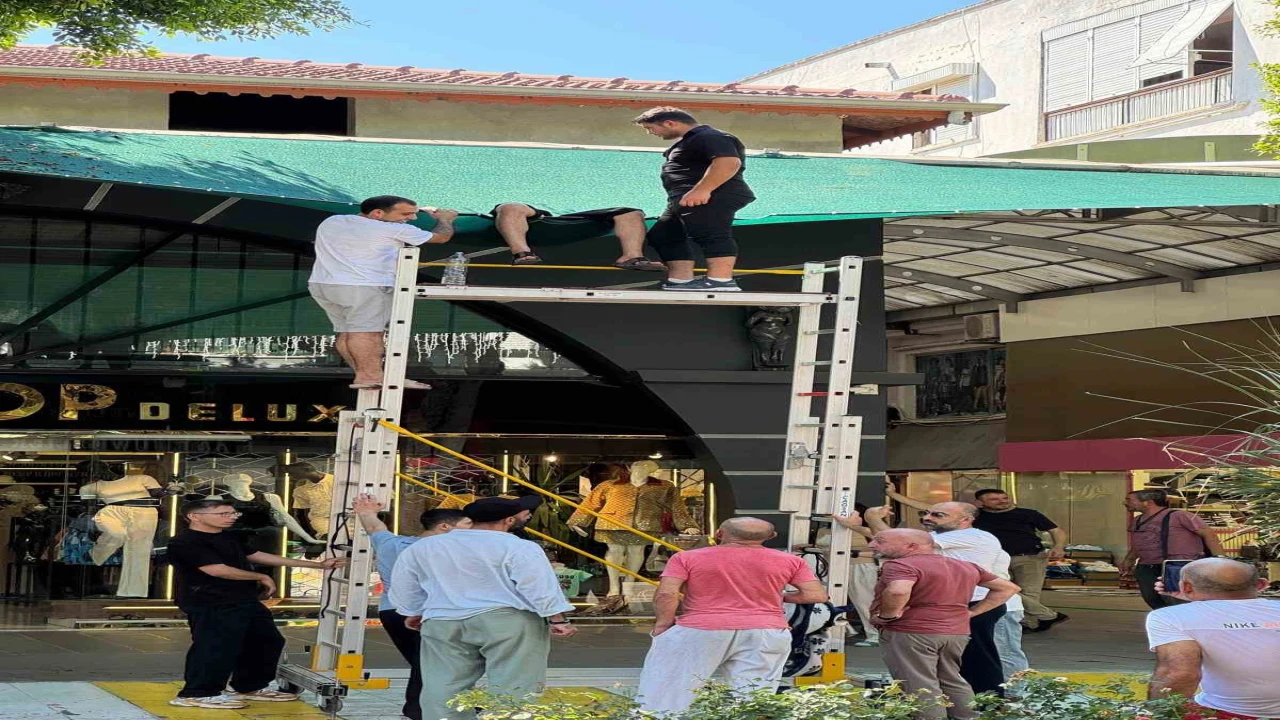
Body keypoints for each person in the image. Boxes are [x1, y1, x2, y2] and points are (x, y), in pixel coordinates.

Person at [389, 496, 577, 720]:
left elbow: (404, 583)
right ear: (509, 520)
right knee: (515, 685)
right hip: (508, 621)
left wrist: (414, 611)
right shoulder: (519, 546)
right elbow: (537, 586)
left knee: (443, 684)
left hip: (442, 620)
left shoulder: (425, 546)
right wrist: (558, 619)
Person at [166, 498, 346, 710]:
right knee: (215, 646)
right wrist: (260, 577)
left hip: (242, 598)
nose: (231, 517)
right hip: (209, 600)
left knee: (267, 640)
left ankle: (247, 686)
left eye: (233, 513)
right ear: (194, 516)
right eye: (223, 514)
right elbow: (216, 569)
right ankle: (197, 693)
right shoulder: (184, 542)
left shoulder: (228, 536)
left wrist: (318, 565)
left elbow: (257, 555)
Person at [635, 517, 827, 714]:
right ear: (772, 536)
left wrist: (663, 625)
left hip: (700, 629)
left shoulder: (686, 558)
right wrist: (778, 595)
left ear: (719, 533)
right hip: (766, 631)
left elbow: (667, 594)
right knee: (752, 698)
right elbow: (816, 595)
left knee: (665, 695)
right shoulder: (791, 561)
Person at [309, 195, 458, 389]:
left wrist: (418, 212)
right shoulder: (392, 229)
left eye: (414, 213)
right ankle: (371, 377)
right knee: (368, 333)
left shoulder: (333, 221)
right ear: (378, 213)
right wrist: (445, 219)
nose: (412, 218)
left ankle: (367, 375)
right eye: (405, 214)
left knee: (347, 333)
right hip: (364, 286)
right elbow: (442, 237)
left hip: (324, 284)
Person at [869, 528, 1019, 720]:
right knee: (952, 679)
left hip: (912, 631)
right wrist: (972, 612)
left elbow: (898, 591)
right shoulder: (964, 565)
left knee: (919, 683)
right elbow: (1008, 588)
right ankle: (967, 717)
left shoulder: (900, 565)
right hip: (956, 632)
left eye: (880, 541)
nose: (872, 545)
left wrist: (888, 616)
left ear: (911, 546)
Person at [351, 494, 471, 720]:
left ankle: (440, 706)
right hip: (422, 613)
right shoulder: (439, 550)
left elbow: (375, 528)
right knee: (428, 663)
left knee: (426, 662)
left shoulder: (392, 543)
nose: (472, 531)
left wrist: (366, 512)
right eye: (467, 525)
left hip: (390, 611)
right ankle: (417, 709)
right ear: (445, 527)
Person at [632, 106, 755, 292]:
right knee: (664, 234)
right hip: (685, 198)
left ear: (669, 123)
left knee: (710, 232)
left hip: (711, 195)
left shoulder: (709, 136)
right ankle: (681, 281)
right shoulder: (691, 140)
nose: (650, 133)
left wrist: (703, 190)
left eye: (650, 128)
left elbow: (729, 162)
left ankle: (721, 281)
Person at [1146, 558, 1280, 720]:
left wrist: (1157, 715)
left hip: (1227, 713)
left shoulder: (1170, 617)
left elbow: (1178, 673)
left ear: (1186, 587)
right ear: (1261, 584)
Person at [971, 488, 1069, 632]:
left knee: (1029, 593)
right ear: (980, 502)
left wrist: (1058, 546)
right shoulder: (974, 516)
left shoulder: (1028, 514)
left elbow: (1056, 530)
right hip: (994, 560)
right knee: (997, 589)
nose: (1002, 502)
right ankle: (1048, 616)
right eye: (994, 499)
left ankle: (1028, 623)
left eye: (1005, 498)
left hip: (1030, 558)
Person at [1121, 489, 1224, 610]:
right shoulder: (1137, 520)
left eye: (1129, 500)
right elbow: (1139, 543)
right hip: (1147, 567)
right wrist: (1129, 559)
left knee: (1180, 601)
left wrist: (1220, 559)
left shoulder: (1180, 516)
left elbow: (1209, 534)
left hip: (1177, 566)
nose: (1125, 503)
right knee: (1153, 599)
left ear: (1148, 502)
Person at [489, 203, 665, 270]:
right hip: (539, 216)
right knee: (510, 206)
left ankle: (632, 257)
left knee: (632, 212)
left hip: (587, 217)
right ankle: (522, 253)